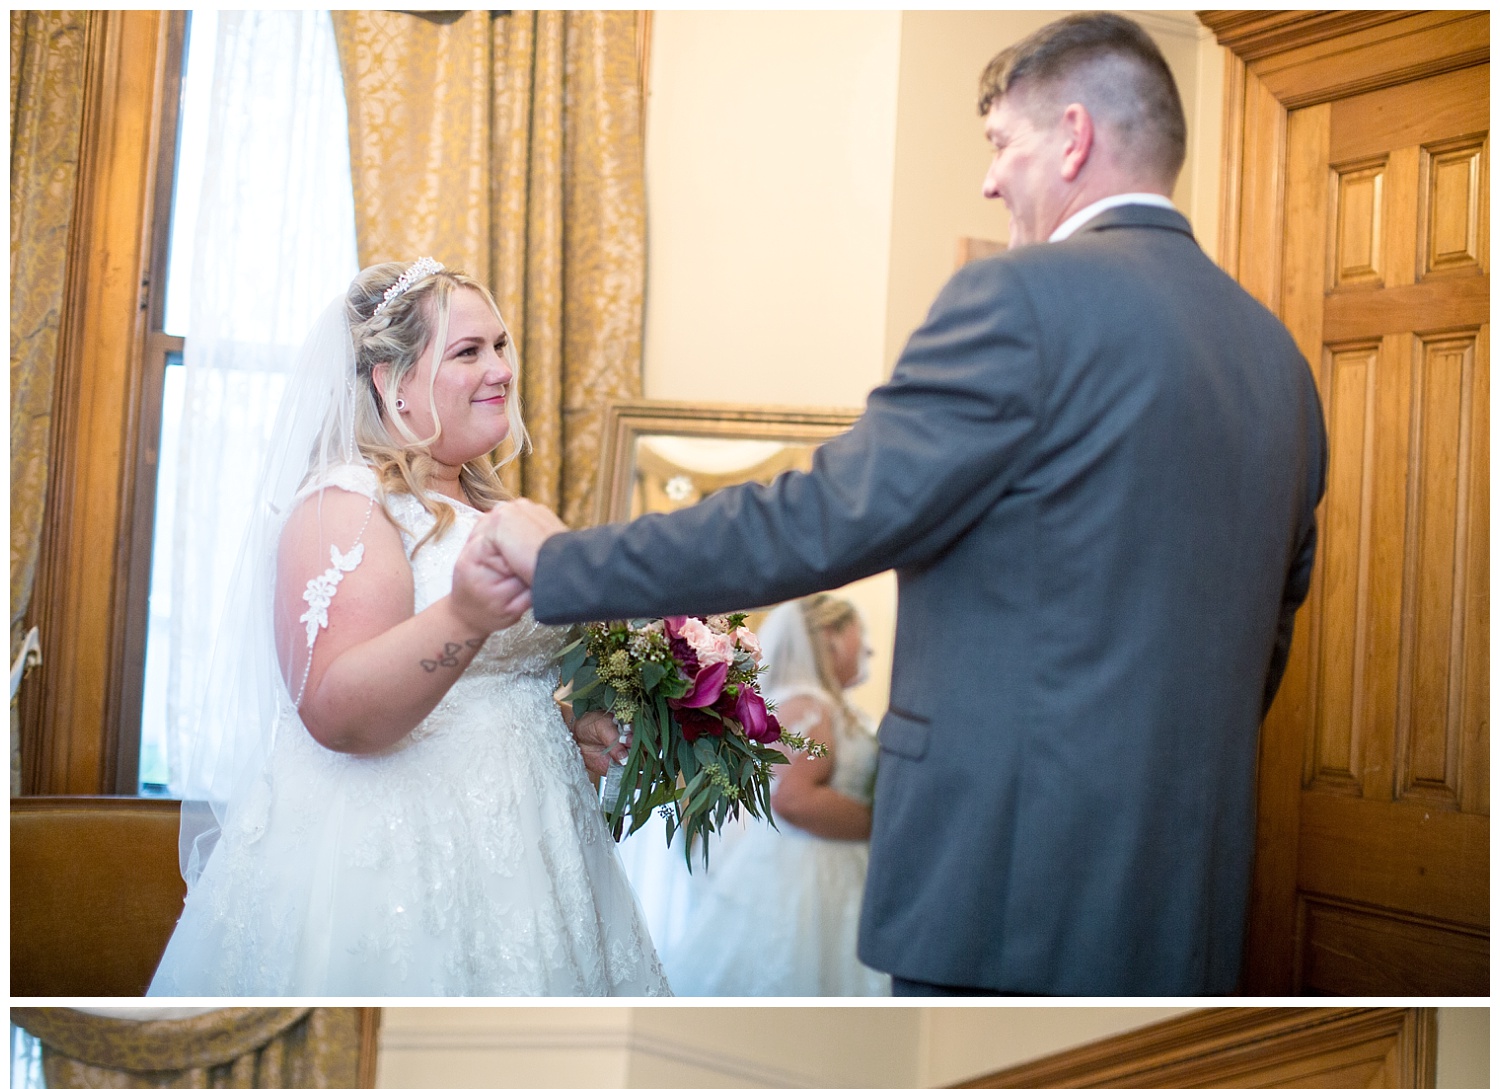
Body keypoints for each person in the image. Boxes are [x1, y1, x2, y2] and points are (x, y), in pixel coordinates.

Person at [474, 12, 1329, 997]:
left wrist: (565, 564)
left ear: (1077, 137)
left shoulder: (1021, 299)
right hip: (1188, 898)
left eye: (1002, 143)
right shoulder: (1280, 363)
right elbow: (1265, 638)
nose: (989, 178)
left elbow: (826, 515)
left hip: (1002, 892)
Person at [147, 258, 666, 997]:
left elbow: (498, 686)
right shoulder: (345, 504)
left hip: (532, 841)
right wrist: (465, 616)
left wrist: (568, 725)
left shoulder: (494, 511)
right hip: (394, 849)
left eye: (501, 346)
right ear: (391, 383)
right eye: (468, 352)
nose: (501, 370)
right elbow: (336, 710)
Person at [661, 594, 891, 995]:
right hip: (816, 874)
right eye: (860, 634)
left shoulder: (814, 702)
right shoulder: (811, 706)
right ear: (829, 636)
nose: (867, 648)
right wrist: (881, 823)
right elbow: (793, 801)